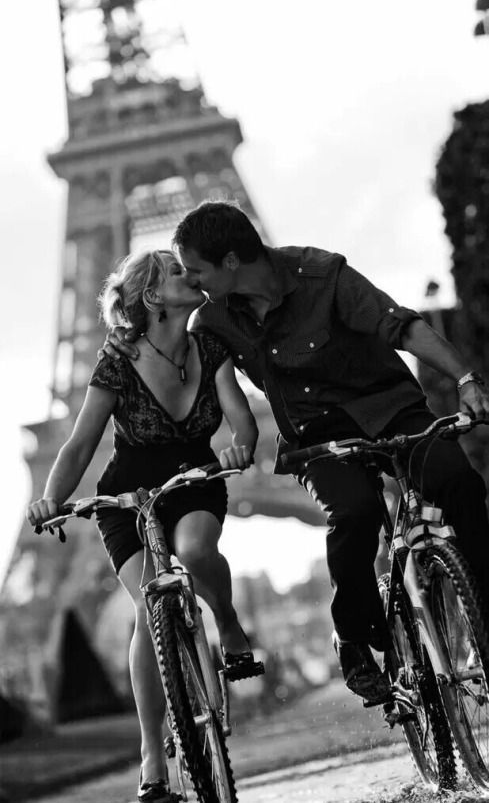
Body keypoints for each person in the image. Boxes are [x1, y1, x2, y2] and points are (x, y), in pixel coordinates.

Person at [102, 201, 489, 706]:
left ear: (232, 262)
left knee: (458, 480)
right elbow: (178, 364)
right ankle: (354, 636)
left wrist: (465, 378)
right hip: (315, 438)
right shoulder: (211, 321)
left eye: (195, 269)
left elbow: (401, 325)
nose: (192, 281)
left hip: (390, 410)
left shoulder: (322, 274)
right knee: (356, 510)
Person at [27, 248, 259, 803]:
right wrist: (49, 499)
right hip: (128, 492)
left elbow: (240, 415)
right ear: (152, 296)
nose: (192, 276)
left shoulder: (212, 344)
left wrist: (241, 447)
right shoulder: (117, 357)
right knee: (145, 606)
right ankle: (152, 759)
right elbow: (82, 441)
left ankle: (226, 623)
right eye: (179, 272)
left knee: (196, 550)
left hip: (194, 478)